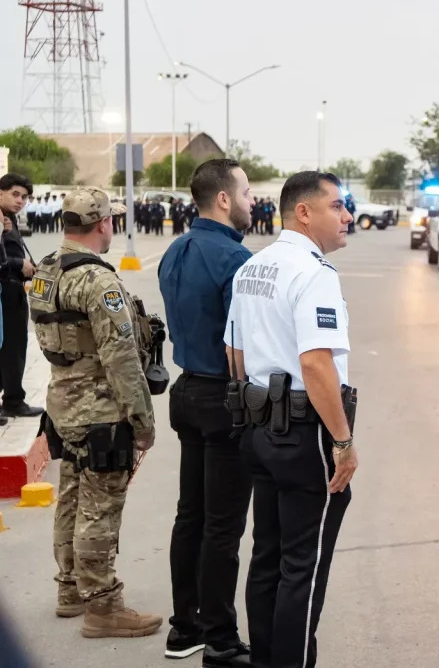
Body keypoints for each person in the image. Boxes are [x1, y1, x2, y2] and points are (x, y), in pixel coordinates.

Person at [225, 171, 357, 668]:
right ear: (304, 212)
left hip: (260, 427)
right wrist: (342, 441)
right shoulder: (313, 272)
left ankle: (264, 660)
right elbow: (316, 363)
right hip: (305, 434)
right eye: (337, 206)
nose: (347, 216)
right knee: (303, 566)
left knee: (267, 557)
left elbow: (234, 352)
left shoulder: (252, 267)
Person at [28, 186, 162, 638]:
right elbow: (121, 357)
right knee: (99, 508)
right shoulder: (99, 282)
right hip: (101, 411)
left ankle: (69, 589)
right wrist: (142, 421)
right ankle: (103, 605)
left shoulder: (46, 270)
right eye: (112, 221)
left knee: (70, 496)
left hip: (63, 405)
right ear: (103, 223)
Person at [158, 159, 255, 667]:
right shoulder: (235, 259)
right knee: (223, 525)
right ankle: (220, 638)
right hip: (222, 396)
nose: (250, 201)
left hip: (187, 391)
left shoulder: (175, 249)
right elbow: (242, 344)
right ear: (223, 199)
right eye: (245, 192)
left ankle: (185, 627)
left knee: (190, 515)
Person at [0, 174, 43, 419]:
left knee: (11, 347)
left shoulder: (9, 219)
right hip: (6, 291)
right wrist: (19, 264)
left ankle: (12, 398)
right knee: (12, 348)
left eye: (24, 197)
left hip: (13, 289)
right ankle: (13, 401)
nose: (20, 201)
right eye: (15, 194)